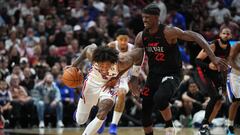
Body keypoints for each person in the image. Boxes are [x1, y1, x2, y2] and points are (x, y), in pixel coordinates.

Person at [127, 3, 228, 135]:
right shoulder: (141, 36)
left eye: (147, 17)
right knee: (145, 114)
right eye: (143, 17)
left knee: (160, 98)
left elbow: (196, 36)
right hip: (153, 75)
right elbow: (138, 57)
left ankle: (169, 126)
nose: (144, 20)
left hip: (172, 74)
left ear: (157, 18)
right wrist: (134, 76)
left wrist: (213, 57)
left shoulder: (168, 32)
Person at [70, 44, 142, 135]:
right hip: (92, 84)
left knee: (106, 106)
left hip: (108, 86)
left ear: (112, 63)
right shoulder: (93, 56)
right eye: (101, 66)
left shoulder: (122, 61)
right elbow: (88, 47)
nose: (104, 69)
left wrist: (131, 76)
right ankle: (78, 114)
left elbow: (140, 52)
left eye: (106, 66)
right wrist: (73, 66)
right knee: (80, 120)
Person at [97, 28, 135, 134]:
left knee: (121, 94)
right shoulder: (111, 46)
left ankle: (114, 124)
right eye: (121, 39)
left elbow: (137, 66)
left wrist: (135, 79)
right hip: (110, 76)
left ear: (129, 39)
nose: (123, 42)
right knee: (104, 99)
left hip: (123, 78)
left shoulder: (133, 49)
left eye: (125, 39)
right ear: (116, 39)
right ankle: (101, 120)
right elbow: (101, 61)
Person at [195, 27, 232, 135]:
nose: (226, 35)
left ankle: (206, 125)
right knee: (214, 97)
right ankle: (204, 125)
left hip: (216, 73)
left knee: (220, 100)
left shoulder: (229, 47)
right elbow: (197, 60)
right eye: (224, 33)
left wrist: (224, 83)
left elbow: (225, 67)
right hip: (204, 71)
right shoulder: (212, 45)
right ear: (220, 35)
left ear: (230, 36)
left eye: (228, 34)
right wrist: (208, 65)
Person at [226, 42, 240, 135]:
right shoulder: (238, 45)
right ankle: (229, 126)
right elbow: (230, 59)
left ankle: (234, 123)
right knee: (235, 101)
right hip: (234, 75)